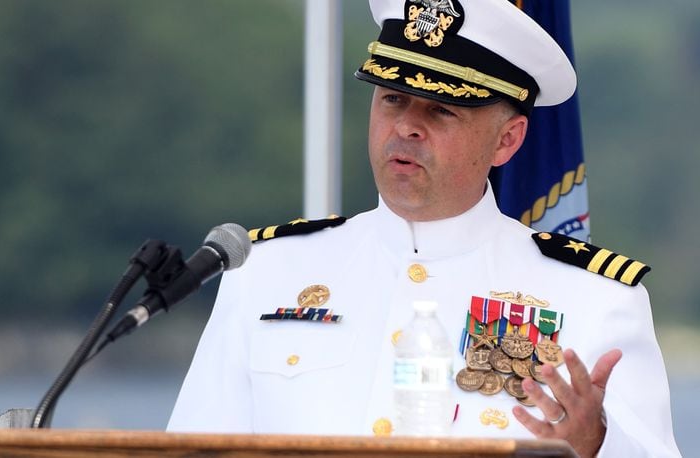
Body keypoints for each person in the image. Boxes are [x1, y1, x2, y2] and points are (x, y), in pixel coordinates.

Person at [167, 0, 680, 456]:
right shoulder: (266, 270)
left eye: (441, 109)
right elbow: (193, 445)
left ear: (508, 140)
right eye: (392, 99)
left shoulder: (596, 297)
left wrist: (597, 443)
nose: (406, 126)